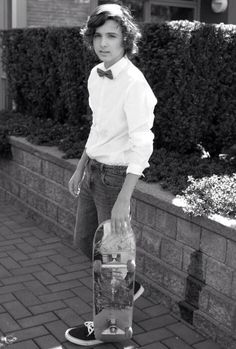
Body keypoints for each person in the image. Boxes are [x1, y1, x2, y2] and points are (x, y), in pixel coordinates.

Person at [65, 3, 157, 346]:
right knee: (84, 244)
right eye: (98, 35)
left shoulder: (134, 83)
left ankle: (109, 329)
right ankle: (128, 288)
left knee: (112, 261)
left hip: (117, 178)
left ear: (125, 40)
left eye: (112, 36)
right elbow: (98, 127)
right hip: (93, 173)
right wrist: (80, 166)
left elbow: (143, 143)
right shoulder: (96, 74)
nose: (103, 43)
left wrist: (124, 197)